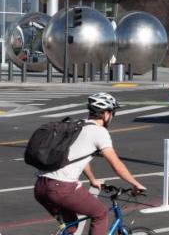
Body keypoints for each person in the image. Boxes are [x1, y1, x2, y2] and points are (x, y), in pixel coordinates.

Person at [34, 93, 146, 235]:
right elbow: (116, 163)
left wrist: (92, 180)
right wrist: (136, 184)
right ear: (106, 114)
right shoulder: (99, 132)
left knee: (71, 227)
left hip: (40, 187)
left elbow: (77, 157)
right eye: (112, 113)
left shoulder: (76, 125)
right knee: (100, 214)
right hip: (62, 188)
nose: (111, 117)